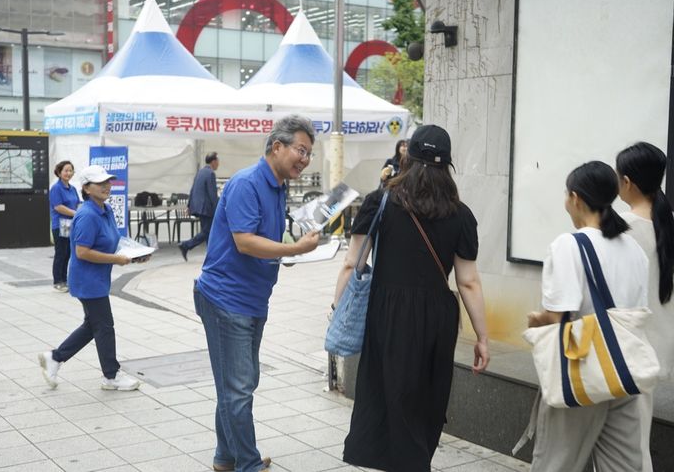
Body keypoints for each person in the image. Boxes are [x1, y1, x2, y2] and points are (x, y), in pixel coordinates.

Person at [334, 125, 489, 472]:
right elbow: (468, 283)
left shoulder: (381, 201)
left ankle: (395, 462)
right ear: (447, 164)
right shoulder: (461, 215)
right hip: (437, 316)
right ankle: (416, 461)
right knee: (426, 398)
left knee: (385, 393)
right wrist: (482, 337)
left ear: (407, 156)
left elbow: (351, 262)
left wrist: (338, 309)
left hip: (387, 313)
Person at [194, 115, 320, 472]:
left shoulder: (279, 187)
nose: (305, 159)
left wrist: (288, 250)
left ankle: (225, 457)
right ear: (276, 147)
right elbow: (245, 241)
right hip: (224, 299)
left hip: (251, 300)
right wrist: (294, 251)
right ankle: (247, 464)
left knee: (237, 384)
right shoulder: (247, 183)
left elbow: (269, 239)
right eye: (300, 150)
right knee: (238, 388)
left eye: (309, 153)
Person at [527, 161, 648, 472]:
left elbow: (558, 319)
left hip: (582, 370)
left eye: (566, 195)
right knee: (622, 466)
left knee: (557, 463)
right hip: (624, 373)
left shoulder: (568, 244)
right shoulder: (634, 249)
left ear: (576, 198)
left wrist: (534, 319)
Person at [38, 165, 143, 392]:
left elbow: (114, 240)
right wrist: (117, 260)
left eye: (108, 182)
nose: (107, 186)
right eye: (100, 183)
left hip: (98, 278)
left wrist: (134, 256)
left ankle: (55, 358)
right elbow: (82, 252)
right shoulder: (86, 215)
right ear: (86, 188)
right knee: (104, 326)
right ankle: (111, 376)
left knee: (92, 326)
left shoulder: (105, 210)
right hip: (87, 280)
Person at [616, 142, 674, 472]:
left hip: (626, 354)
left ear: (627, 182)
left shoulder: (620, 228)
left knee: (626, 451)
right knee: (635, 443)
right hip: (657, 352)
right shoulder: (668, 222)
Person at [178, 152, 220, 261]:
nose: (218, 164)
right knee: (207, 232)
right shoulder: (210, 174)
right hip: (206, 208)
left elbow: (192, 190)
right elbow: (212, 194)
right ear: (214, 161)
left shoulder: (200, 172)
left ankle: (211, 255)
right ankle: (186, 245)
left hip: (198, 207)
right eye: (218, 161)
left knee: (208, 232)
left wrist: (189, 206)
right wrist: (217, 210)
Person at [49, 160, 80, 292]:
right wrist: (76, 213)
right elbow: (58, 207)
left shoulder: (72, 189)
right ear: (59, 172)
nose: (68, 173)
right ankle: (58, 281)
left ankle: (65, 280)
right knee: (61, 252)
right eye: (65, 170)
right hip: (60, 224)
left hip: (71, 224)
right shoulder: (56, 188)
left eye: (70, 170)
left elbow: (78, 203)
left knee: (68, 253)